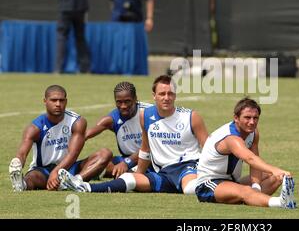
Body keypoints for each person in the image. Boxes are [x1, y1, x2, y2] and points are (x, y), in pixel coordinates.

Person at [58, 75, 209, 195]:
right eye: (162, 94)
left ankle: (221, 183)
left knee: (190, 190)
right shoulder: (147, 116)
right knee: (128, 178)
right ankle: (85, 187)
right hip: (162, 172)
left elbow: (209, 149)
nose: (166, 97)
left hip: (185, 167)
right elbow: (145, 149)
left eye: (170, 93)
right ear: (154, 96)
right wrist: (139, 174)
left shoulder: (191, 116)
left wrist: (129, 164)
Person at [195, 98, 297, 209]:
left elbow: (255, 162)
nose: (252, 122)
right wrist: (274, 169)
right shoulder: (231, 138)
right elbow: (250, 159)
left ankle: (254, 197)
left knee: (275, 177)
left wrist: (256, 187)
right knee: (247, 190)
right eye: (247, 117)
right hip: (208, 185)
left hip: (231, 181)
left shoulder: (253, 133)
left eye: (255, 118)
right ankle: (280, 203)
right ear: (236, 118)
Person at [8, 85, 112, 191]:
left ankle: (75, 182)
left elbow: (73, 154)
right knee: (32, 177)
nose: (58, 104)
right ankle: (22, 184)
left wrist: (56, 172)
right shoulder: (35, 127)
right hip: (44, 171)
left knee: (105, 154)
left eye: (61, 100)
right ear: (45, 101)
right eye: (54, 100)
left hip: (69, 167)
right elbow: (22, 153)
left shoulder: (77, 122)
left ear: (66, 101)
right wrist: (17, 163)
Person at [84, 81, 153, 178]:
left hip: (150, 157)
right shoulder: (113, 118)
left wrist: (126, 163)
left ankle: (130, 173)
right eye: (119, 102)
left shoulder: (149, 113)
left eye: (127, 101)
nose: (123, 106)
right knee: (102, 162)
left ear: (135, 99)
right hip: (128, 158)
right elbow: (86, 135)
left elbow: (151, 148)